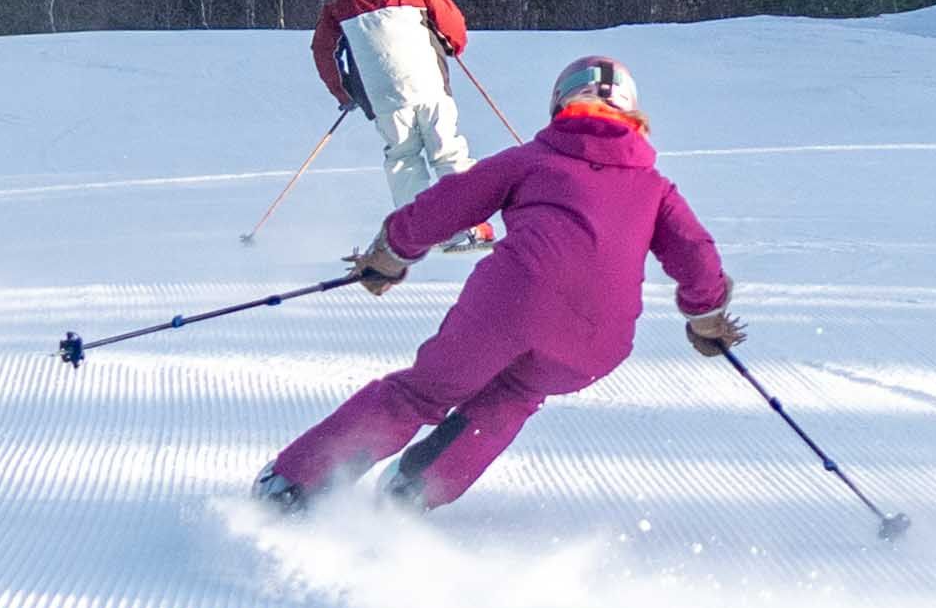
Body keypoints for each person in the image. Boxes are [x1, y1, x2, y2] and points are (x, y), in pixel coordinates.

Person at [261, 50, 736, 513]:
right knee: (515, 396)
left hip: (511, 304)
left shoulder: (531, 160)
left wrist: (390, 253)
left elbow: (447, 205)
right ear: (634, 117)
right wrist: (706, 318)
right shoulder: (655, 187)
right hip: (599, 340)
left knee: (422, 394)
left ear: (561, 106)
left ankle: (294, 485)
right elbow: (696, 255)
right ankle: (416, 489)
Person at [309, 0, 476, 195]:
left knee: (403, 159)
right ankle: (469, 224)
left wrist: (344, 94)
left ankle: (417, 233)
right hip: (429, 87)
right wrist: (452, 46)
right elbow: (453, 25)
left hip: (383, 99)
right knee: (447, 152)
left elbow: (323, 52)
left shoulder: (338, 8)